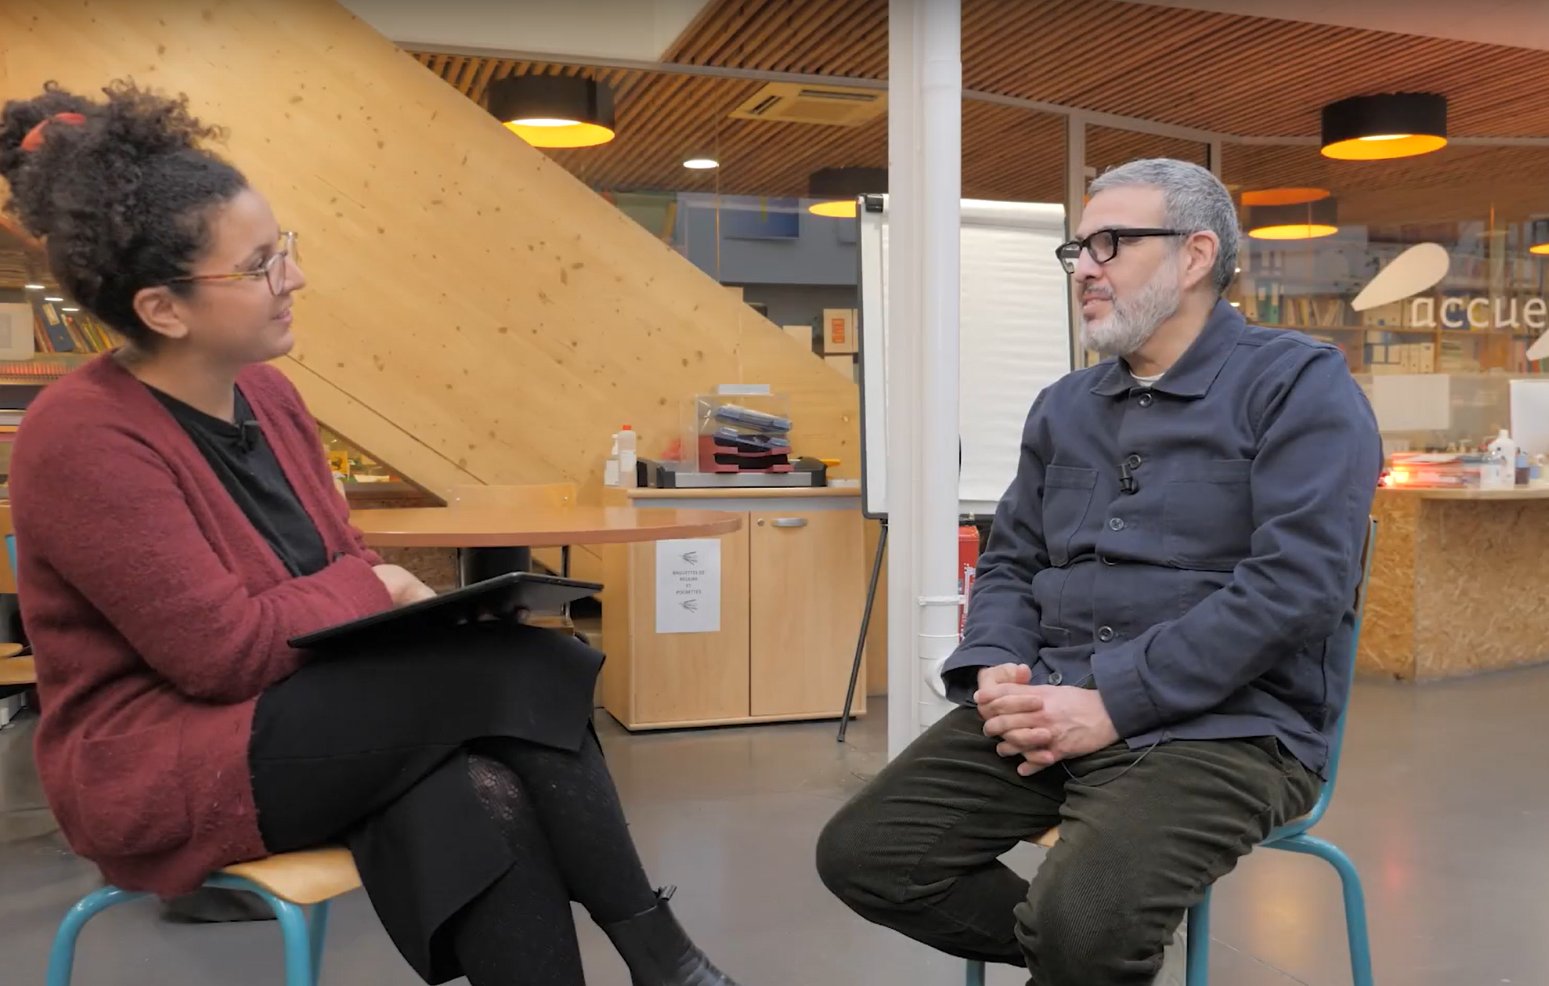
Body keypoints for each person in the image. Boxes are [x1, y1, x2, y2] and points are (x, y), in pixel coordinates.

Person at [1, 80, 743, 986]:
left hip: (300, 708)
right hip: (162, 761)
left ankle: (665, 962)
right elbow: (222, 654)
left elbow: (333, 562)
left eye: (285, 250)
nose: (295, 278)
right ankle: (665, 957)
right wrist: (384, 590)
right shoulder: (80, 436)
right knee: (524, 666)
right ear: (163, 309)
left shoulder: (268, 394)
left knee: (474, 787)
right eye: (262, 264)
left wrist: (370, 590)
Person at [816, 158, 1381, 986]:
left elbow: (1296, 586)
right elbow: (1011, 557)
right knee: (865, 854)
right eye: (1078, 247)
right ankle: (1090, 957)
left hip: (1231, 728)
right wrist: (996, 669)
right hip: (1053, 699)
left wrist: (1114, 700)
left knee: (1081, 922)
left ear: (1193, 257)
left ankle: (1087, 949)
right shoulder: (1064, 406)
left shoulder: (1298, 386)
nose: (1083, 266)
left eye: (1110, 243)